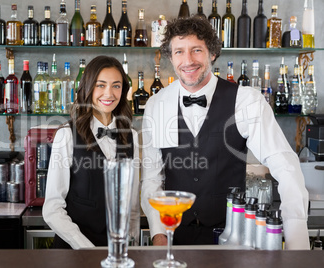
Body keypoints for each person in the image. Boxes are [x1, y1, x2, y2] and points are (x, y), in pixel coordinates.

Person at [140, 17, 309, 249]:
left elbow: (286, 166)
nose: (187, 60)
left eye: (196, 50)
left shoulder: (246, 101)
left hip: (232, 238)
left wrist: (296, 244)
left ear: (212, 53)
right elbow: (152, 179)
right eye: (179, 51)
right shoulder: (156, 104)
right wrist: (159, 234)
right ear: (170, 57)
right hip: (174, 237)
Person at [43, 55, 140, 249]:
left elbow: (133, 204)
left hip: (117, 252)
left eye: (116, 86)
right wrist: (87, 249)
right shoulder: (66, 135)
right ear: (88, 87)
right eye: (100, 85)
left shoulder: (132, 137)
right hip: (74, 250)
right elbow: (52, 208)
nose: (109, 93)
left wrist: (131, 242)